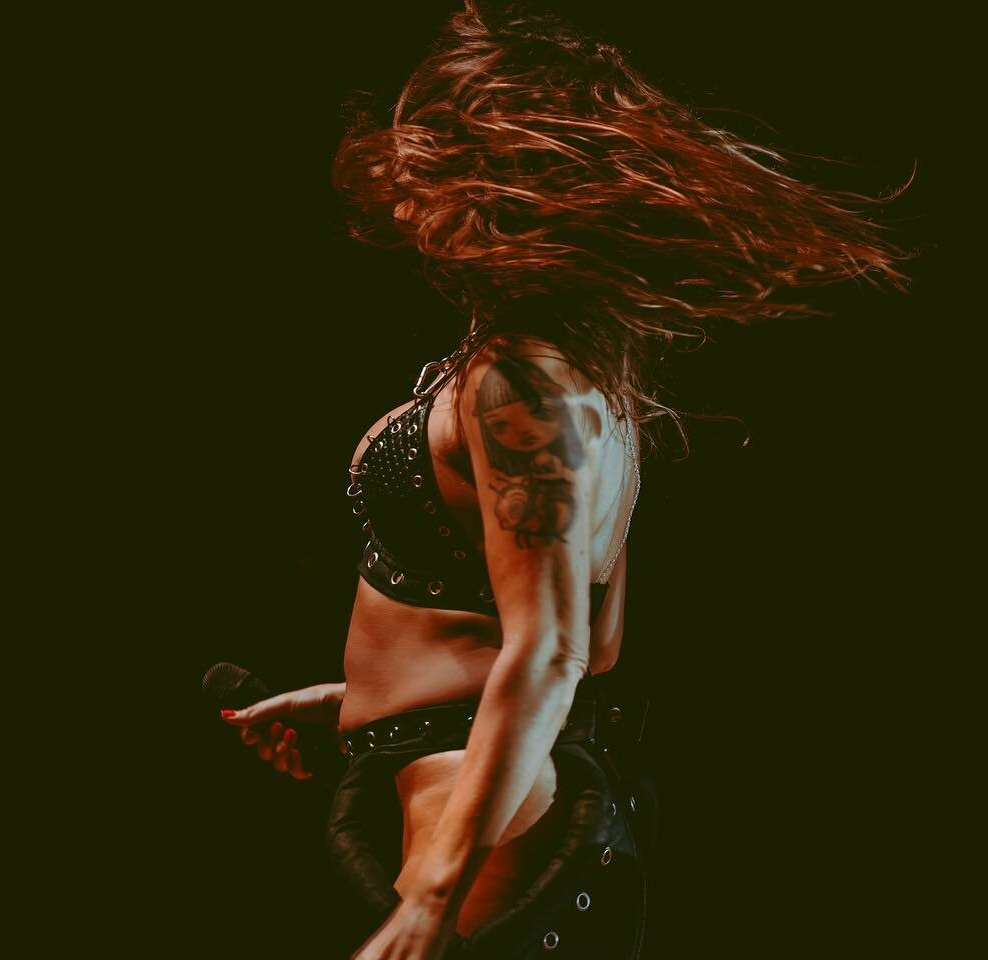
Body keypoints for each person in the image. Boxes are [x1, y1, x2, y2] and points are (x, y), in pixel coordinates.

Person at [218, 3, 911, 957]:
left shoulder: (525, 384)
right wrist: (360, 700)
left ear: (486, 178)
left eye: (425, 156)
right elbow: (576, 634)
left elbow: (556, 649)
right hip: (467, 771)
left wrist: (430, 898)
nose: (402, 184)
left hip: (474, 795)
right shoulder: (572, 374)